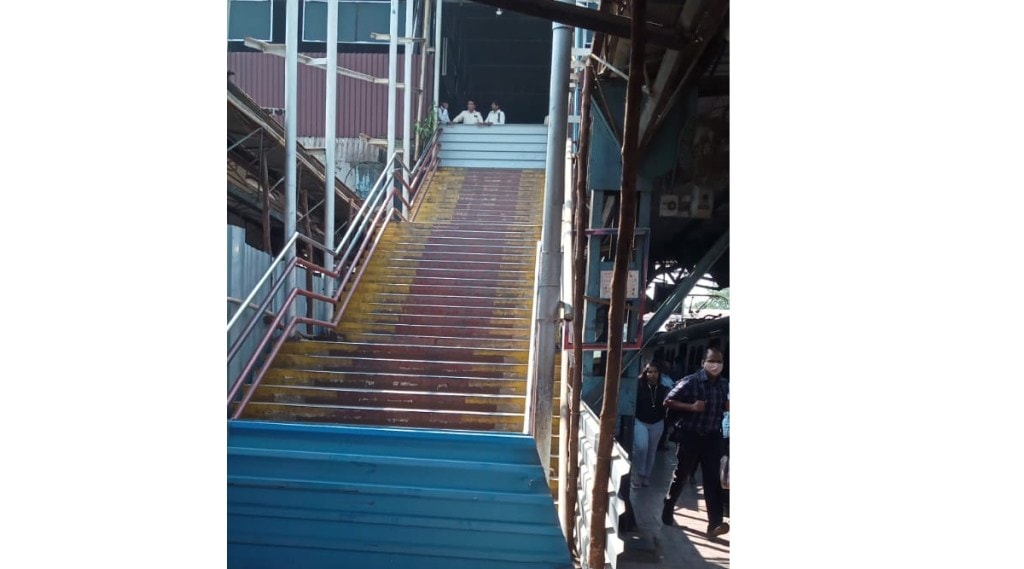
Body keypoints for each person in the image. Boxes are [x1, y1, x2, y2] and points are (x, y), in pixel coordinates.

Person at [661, 347, 730, 540]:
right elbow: (668, 401)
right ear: (703, 362)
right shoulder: (691, 382)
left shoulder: (724, 384)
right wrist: (690, 407)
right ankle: (669, 504)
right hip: (690, 436)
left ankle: (714, 523)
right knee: (682, 474)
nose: (715, 365)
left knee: (712, 481)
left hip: (712, 438)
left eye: (719, 361)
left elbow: (725, 406)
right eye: (712, 360)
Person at [631, 363, 671, 489]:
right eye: (650, 372)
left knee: (652, 451)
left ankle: (646, 476)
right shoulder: (638, 387)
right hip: (640, 421)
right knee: (641, 447)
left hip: (657, 423)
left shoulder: (664, 389)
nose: (652, 374)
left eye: (655, 372)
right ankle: (638, 474)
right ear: (645, 373)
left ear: (659, 374)